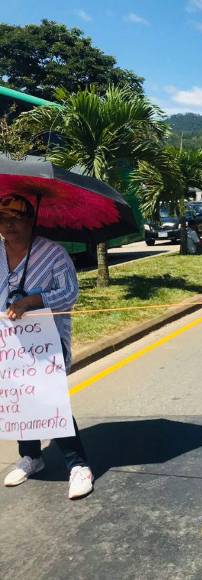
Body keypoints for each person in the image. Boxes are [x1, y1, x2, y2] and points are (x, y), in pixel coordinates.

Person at [0, 194, 93, 500]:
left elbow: (70, 292)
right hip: (7, 345)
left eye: (16, 219)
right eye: (3, 219)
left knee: (48, 397)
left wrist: (32, 300)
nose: (9, 225)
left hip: (46, 342)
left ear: (31, 221)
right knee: (18, 398)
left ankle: (78, 465)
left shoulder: (53, 253)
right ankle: (31, 456)